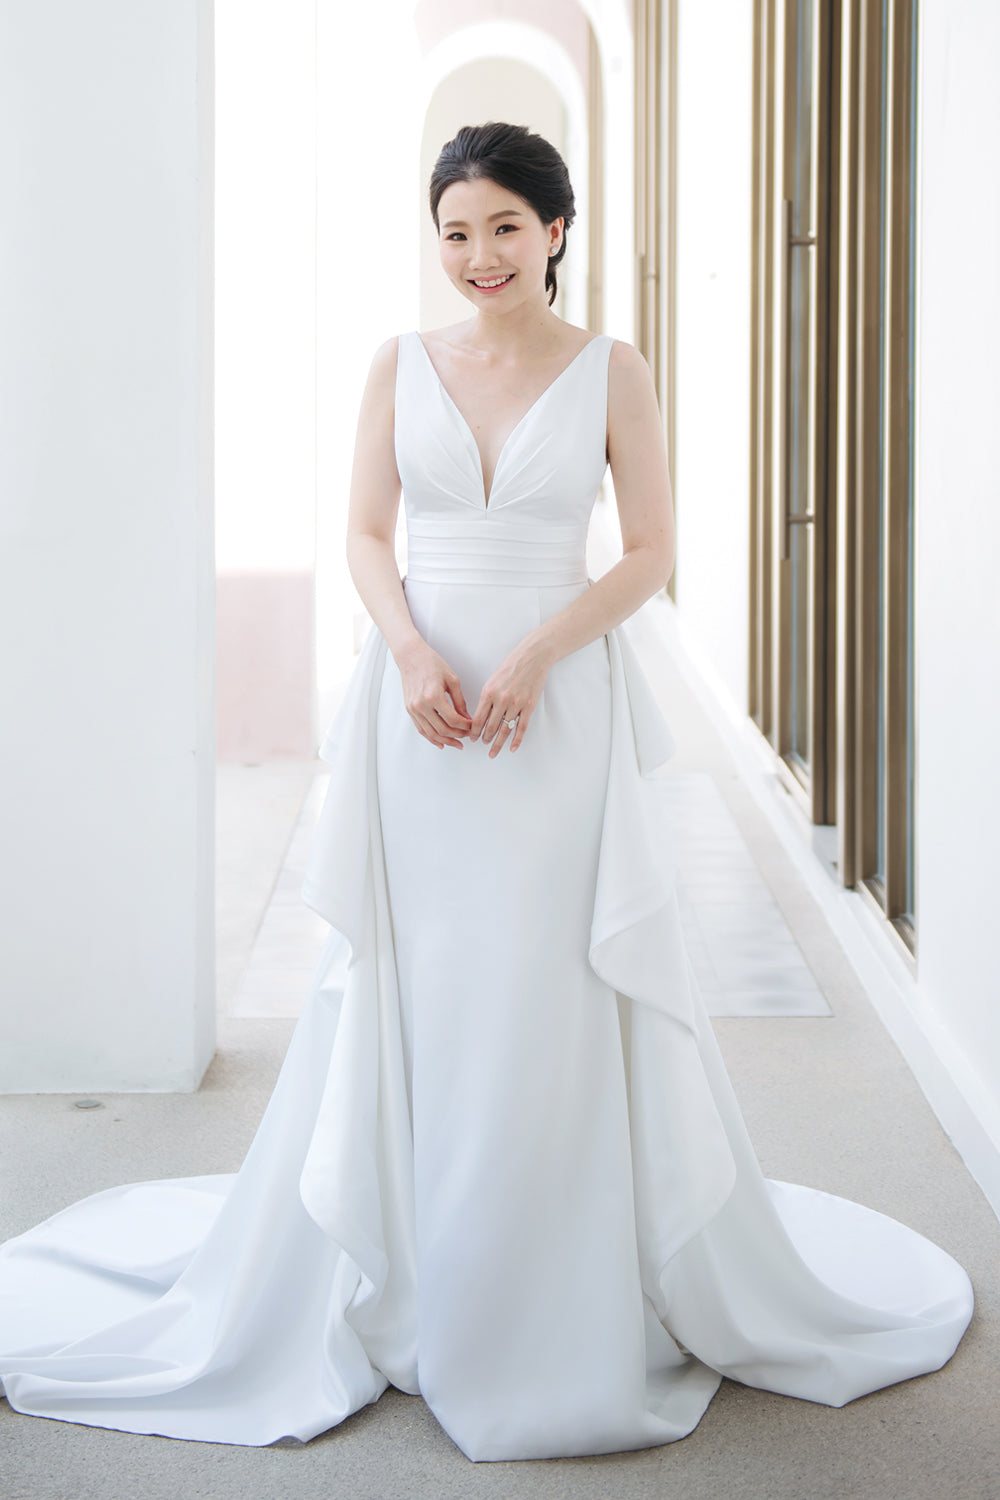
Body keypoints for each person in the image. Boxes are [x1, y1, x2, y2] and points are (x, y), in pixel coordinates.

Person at [0, 122, 974, 1463]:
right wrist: (407, 651)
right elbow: (361, 530)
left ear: (556, 231)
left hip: (554, 714)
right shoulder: (397, 367)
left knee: (550, 984)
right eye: (455, 231)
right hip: (422, 714)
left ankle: (553, 1284)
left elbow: (648, 555)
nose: (478, 256)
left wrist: (538, 653)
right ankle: (404, 1272)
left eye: (505, 227)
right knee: (427, 982)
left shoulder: (612, 371)